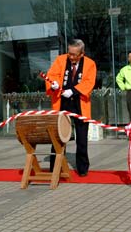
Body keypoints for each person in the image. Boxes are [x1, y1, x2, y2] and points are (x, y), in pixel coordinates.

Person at [46, 39, 96, 177]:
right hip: (62, 102)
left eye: (74, 54)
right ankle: (55, 167)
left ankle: (82, 168)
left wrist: (73, 91)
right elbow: (52, 74)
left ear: (81, 54)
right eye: (70, 53)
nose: (71, 57)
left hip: (80, 102)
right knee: (58, 136)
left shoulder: (90, 64)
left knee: (81, 137)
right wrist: (54, 84)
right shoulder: (61, 59)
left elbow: (89, 82)